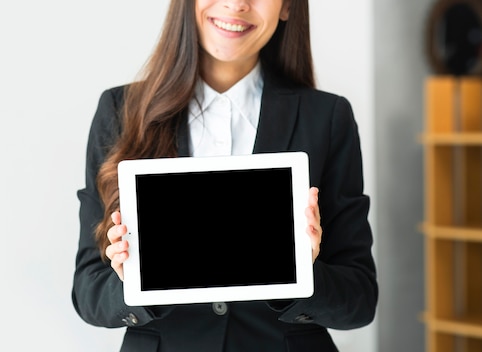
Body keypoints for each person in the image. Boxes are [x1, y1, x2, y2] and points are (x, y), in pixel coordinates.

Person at [72, 0, 378, 351]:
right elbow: (88, 291)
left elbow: (359, 301)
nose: (236, 4)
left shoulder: (327, 117)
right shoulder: (121, 110)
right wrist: (134, 284)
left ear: (287, 6)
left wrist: (300, 272)